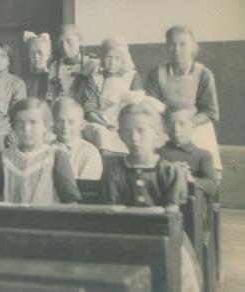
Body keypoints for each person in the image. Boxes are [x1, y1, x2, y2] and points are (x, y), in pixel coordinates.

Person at [101, 100, 201, 292]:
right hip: (123, 237)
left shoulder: (168, 171)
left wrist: (142, 213)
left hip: (164, 237)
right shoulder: (114, 171)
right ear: (120, 134)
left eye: (141, 131)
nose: (134, 138)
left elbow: (171, 212)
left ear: (156, 134)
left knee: (175, 274)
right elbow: (110, 210)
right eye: (127, 131)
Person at [145, 25, 222, 176]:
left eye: (183, 44)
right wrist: (170, 124)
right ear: (166, 48)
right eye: (172, 45)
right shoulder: (156, 73)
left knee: (203, 139)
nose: (177, 50)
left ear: (193, 47)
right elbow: (151, 106)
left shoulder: (203, 74)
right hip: (164, 123)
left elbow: (210, 111)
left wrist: (188, 125)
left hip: (195, 124)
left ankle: (206, 181)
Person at [0, 98, 81, 204]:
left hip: (46, 219)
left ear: (46, 126)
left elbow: (71, 202)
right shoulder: (5, 157)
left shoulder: (56, 157)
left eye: (33, 122)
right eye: (20, 123)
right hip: (12, 218)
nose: (26, 129)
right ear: (13, 127)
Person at [82, 36, 144, 154]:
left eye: (117, 58)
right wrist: (105, 125)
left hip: (125, 121)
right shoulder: (95, 78)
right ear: (102, 57)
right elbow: (90, 110)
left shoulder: (132, 76)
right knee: (101, 134)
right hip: (100, 121)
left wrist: (122, 124)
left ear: (124, 59)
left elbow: (138, 104)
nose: (112, 62)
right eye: (108, 57)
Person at [157, 105, 217, 199]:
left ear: (192, 126)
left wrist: (192, 180)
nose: (176, 129)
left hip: (191, 206)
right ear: (166, 127)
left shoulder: (202, 155)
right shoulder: (158, 154)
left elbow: (212, 187)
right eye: (171, 124)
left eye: (182, 124)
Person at [51, 98, 102, 180]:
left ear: (81, 125)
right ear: (52, 124)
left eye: (71, 122)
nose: (65, 127)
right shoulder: (44, 149)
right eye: (60, 121)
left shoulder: (89, 153)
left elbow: (86, 187)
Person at [46, 24, 98, 103]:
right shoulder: (55, 66)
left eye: (69, 41)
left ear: (80, 41)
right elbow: (51, 93)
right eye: (60, 43)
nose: (64, 46)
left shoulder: (91, 64)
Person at [23, 32, 51, 101]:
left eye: (40, 52)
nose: (36, 57)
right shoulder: (25, 81)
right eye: (32, 53)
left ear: (48, 55)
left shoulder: (52, 78)